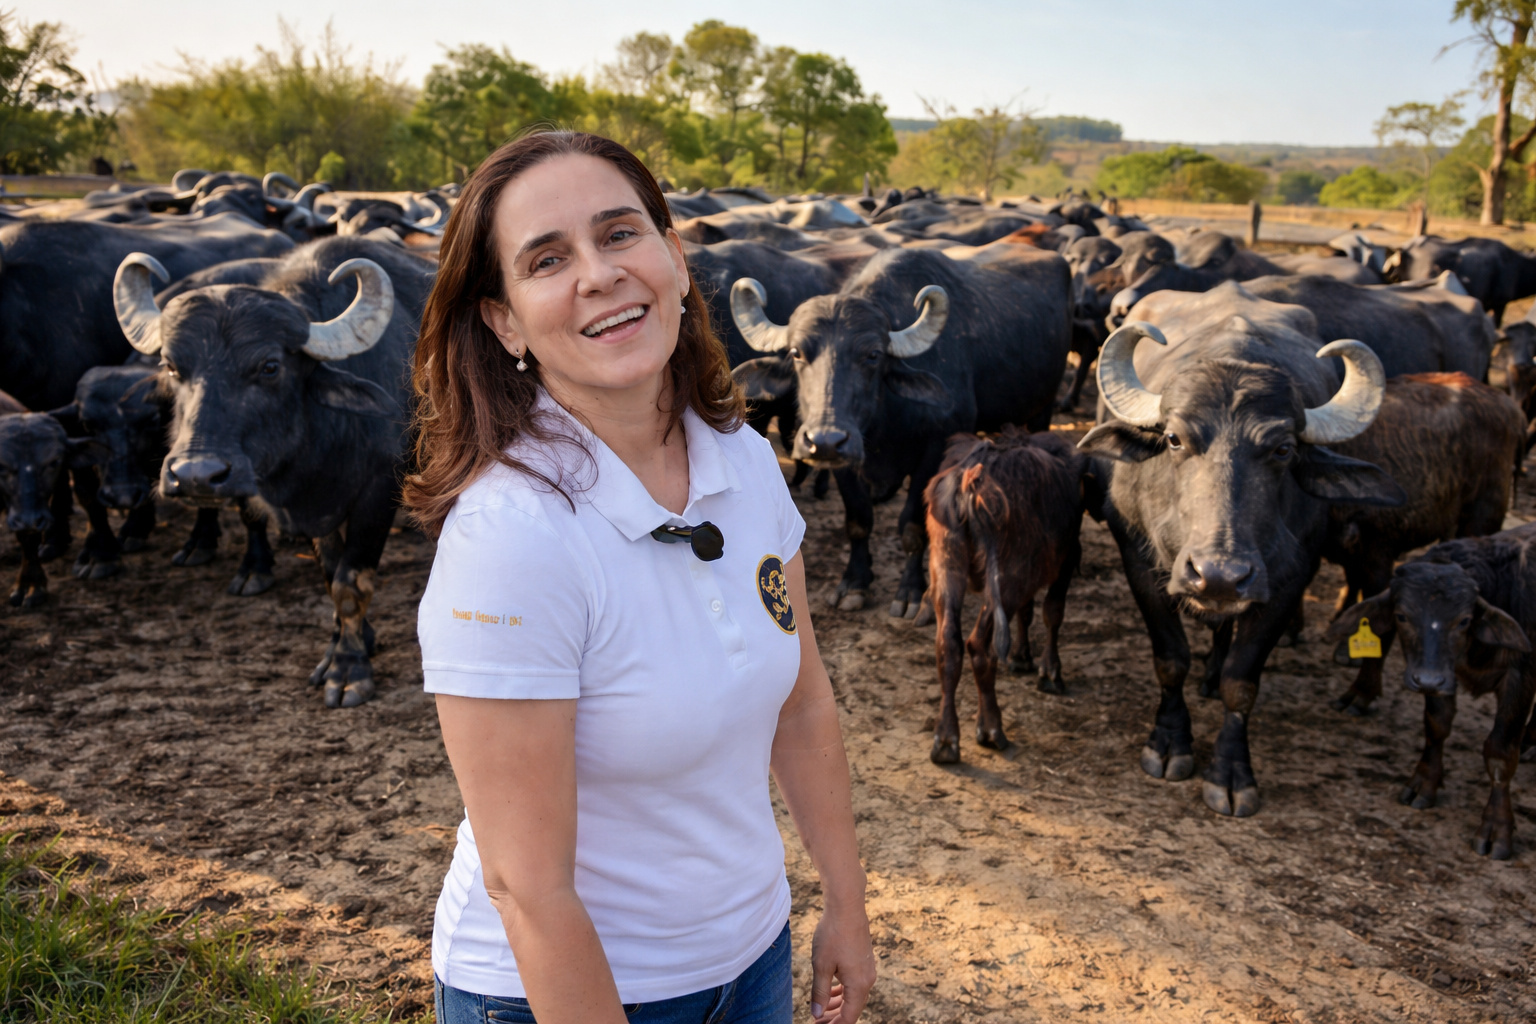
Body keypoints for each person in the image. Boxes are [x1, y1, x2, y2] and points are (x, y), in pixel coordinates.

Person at [405, 130, 875, 1024]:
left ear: (674, 257)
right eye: (547, 259)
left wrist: (844, 903)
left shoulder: (744, 462)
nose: (598, 273)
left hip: (753, 954)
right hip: (565, 991)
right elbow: (526, 887)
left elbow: (802, 702)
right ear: (503, 319)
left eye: (620, 234)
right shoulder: (511, 537)